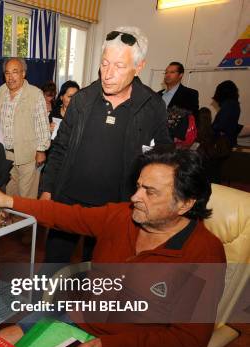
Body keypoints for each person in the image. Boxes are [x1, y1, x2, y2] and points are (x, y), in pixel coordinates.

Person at [0, 149, 225, 347]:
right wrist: (9, 201)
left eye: (149, 192)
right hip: (81, 318)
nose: (134, 196)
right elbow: (68, 215)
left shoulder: (204, 254)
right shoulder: (121, 217)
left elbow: (188, 341)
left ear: (185, 203)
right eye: (138, 186)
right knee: (0, 344)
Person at [39, 26, 171, 263]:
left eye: (119, 66)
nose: (108, 74)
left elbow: (163, 160)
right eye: (104, 63)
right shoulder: (83, 99)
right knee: (52, 268)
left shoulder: (152, 107)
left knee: (99, 273)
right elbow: (59, 149)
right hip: (69, 202)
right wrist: (47, 190)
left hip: (116, 210)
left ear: (138, 67)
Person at [0, 57, 51, 201]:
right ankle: (12, 223)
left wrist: (41, 151)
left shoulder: (35, 94)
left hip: (29, 156)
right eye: (7, 73)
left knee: (27, 200)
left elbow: (42, 125)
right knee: (9, 198)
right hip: (7, 157)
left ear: (23, 73)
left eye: (15, 72)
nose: (10, 77)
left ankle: (27, 224)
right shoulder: (1, 91)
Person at [212, 80, 241, 148]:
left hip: (223, 144)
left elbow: (221, 125)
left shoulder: (229, 105)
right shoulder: (234, 104)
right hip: (228, 142)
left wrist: (211, 127)